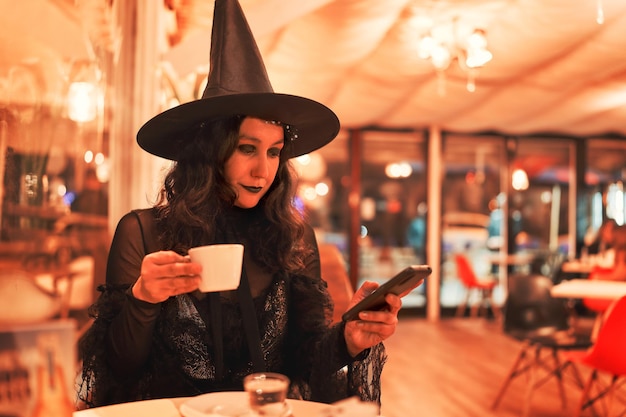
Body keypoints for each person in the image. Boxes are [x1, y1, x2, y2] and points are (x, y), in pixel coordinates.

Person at [77, 0, 416, 409]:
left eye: (274, 152)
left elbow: (304, 361)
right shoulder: (144, 233)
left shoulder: (293, 238)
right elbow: (119, 369)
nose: (263, 170)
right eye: (247, 148)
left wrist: (349, 339)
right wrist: (143, 298)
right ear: (209, 152)